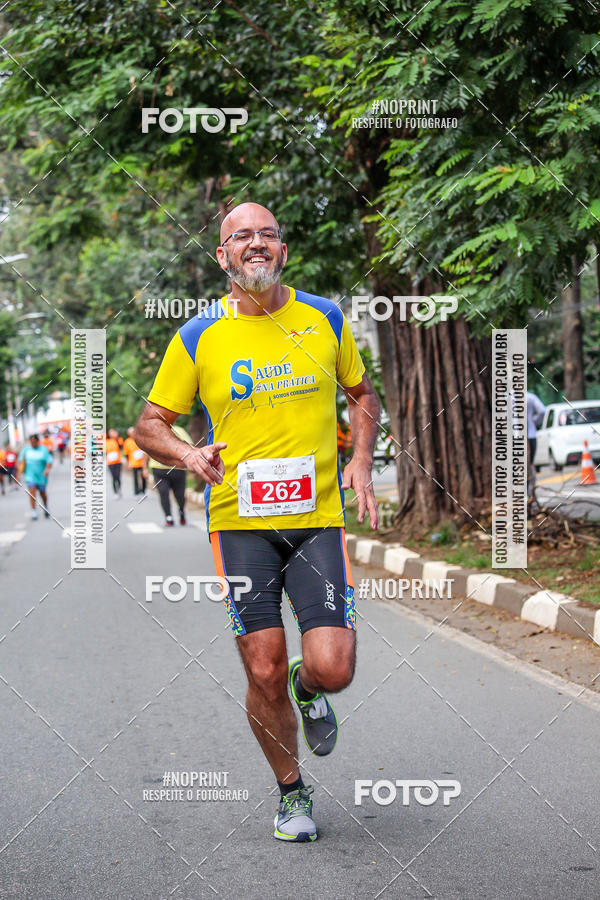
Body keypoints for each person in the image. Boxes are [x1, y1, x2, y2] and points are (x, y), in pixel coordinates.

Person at [135, 202, 379, 842]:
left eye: (268, 233)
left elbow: (362, 394)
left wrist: (360, 460)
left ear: (283, 250)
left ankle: (310, 688)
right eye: (241, 236)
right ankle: (291, 793)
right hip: (239, 526)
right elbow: (149, 424)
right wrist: (188, 453)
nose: (256, 243)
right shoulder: (197, 335)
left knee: (334, 668)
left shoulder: (322, 318)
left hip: (317, 519)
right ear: (222, 256)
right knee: (261, 666)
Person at [144, 423, 192, 526]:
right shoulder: (153, 431)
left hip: (177, 469)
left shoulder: (180, 431)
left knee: (180, 496)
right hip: (159, 470)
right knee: (163, 492)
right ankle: (168, 517)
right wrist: (144, 468)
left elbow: (190, 447)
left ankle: (181, 511)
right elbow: (146, 450)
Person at [18, 433, 52, 520]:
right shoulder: (26, 450)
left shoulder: (43, 449)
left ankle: (46, 507)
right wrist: (18, 473)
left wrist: (47, 469)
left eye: (34, 441)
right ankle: (33, 511)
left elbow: (49, 460)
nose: (33, 443)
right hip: (30, 476)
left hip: (41, 476)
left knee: (42, 493)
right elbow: (20, 461)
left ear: (38, 441)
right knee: (32, 493)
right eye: (31, 441)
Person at [123, 426, 147, 495]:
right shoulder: (127, 442)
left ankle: (143, 490)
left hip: (142, 462)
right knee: (135, 478)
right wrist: (128, 463)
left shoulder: (141, 439)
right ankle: (136, 492)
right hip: (133, 462)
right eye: (131, 433)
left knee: (143, 477)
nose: (132, 434)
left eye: (133, 432)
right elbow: (126, 453)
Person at [105, 428, 123, 497]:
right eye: (110, 432)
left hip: (118, 461)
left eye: (113, 432)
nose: (112, 434)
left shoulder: (118, 440)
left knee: (118, 476)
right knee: (113, 477)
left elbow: (120, 447)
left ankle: (119, 489)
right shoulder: (107, 441)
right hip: (110, 462)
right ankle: (115, 492)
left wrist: (116, 438)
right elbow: (105, 451)